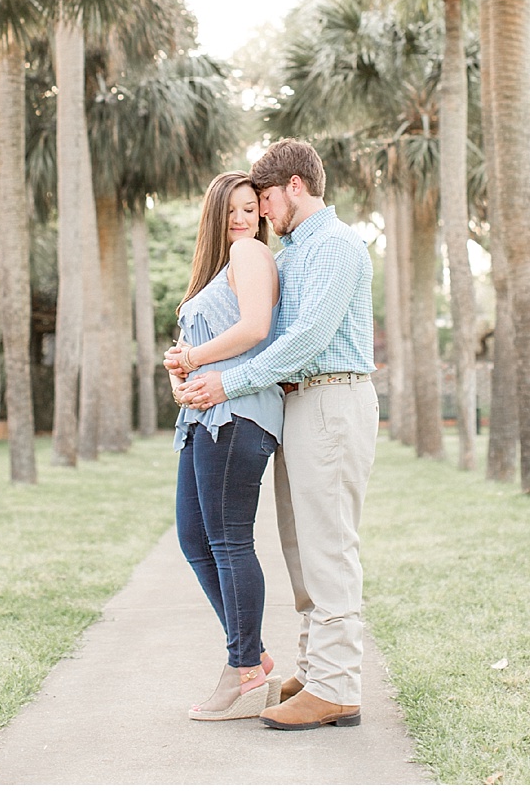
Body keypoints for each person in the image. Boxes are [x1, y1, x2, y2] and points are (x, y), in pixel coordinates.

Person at [174, 138, 377, 732]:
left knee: (329, 545)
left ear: (294, 187)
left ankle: (338, 688)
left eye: (264, 199)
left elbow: (308, 337)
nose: (261, 213)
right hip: (301, 404)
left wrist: (229, 383)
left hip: (333, 396)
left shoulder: (336, 246)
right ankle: (317, 674)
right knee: (301, 547)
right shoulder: (292, 254)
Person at [169, 171, 286, 721]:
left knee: (229, 541)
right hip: (203, 417)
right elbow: (191, 351)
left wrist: (192, 361)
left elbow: (256, 328)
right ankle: (255, 658)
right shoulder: (216, 270)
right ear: (215, 215)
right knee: (196, 539)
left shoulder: (251, 256)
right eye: (232, 210)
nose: (242, 219)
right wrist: (179, 370)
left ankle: (243, 671)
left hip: (239, 415)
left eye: (251, 209)